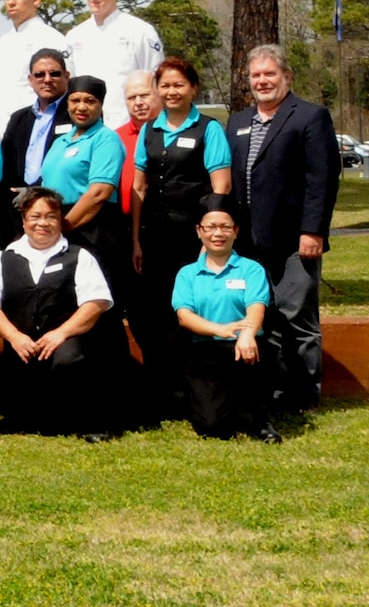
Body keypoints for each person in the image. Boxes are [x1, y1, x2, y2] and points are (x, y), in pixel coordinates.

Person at [226, 42, 340, 413]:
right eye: (256, 75)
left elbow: (322, 179)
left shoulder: (310, 116)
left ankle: (305, 394)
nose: (263, 81)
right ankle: (273, 389)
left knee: (297, 317)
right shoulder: (239, 121)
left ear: (286, 77)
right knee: (264, 315)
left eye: (270, 74)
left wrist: (314, 231)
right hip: (249, 241)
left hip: (295, 239)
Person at [0, 187, 118, 440]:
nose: (42, 223)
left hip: (66, 343)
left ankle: (86, 422)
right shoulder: (4, 258)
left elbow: (95, 304)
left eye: (51, 216)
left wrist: (60, 334)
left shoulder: (80, 256)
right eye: (35, 216)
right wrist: (14, 336)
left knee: (70, 360)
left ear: (60, 220)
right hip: (22, 344)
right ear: (24, 220)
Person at [131, 55, 234, 386]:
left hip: (191, 239)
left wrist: (212, 237)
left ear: (193, 88)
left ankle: (191, 384)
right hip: (153, 237)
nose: (171, 91)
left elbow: (222, 187)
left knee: (189, 306)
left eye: (179, 84)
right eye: (165, 85)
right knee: (153, 310)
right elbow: (139, 188)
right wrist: (135, 240)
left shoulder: (208, 129)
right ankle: (160, 382)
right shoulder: (149, 129)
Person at [172, 193, 280, 442]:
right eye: (210, 227)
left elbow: (256, 307)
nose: (217, 233)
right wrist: (220, 330)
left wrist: (247, 334)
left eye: (225, 227)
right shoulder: (187, 274)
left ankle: (259, 420)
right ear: (199, 231)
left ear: (236, 231)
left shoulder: (251, 269)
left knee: (252, 365)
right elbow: (185, 317)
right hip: (205, 351)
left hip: (245, 348)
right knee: (212, 427)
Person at [40, 74, 129, 305]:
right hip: (60, 223)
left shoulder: (105, 139)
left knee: (95, 302)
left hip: (92, 228)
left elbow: (99, 193)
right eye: (75, 100)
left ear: (100, 105)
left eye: (89, 101)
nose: (81, 107)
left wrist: (63, 227)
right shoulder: (61, 141)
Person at [64, 0, 163, 129]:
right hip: (88, 128)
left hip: (129, 126)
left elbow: (155, 81)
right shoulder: (74, 36)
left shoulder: (140, 31)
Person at [0, 48, 72, 252]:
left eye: (54, 73)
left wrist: (34, 193)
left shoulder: (77, 116)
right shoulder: (19, 118)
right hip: (18, 210)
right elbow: (7, 167)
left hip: (58, 210)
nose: (47, 79)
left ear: (66, 76)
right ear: (30, 79)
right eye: (39, 74)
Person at [0, 0, 67, 135]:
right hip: (3, 130)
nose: (11, 1)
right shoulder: (0, 45)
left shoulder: (52, 39)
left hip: (40, 128)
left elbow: (65, 88)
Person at [117, 70, 158, 218]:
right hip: (122, 223)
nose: (138, 103)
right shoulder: (114, 138)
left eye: (145, 95)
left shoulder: (175, 133)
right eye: (132, 98)